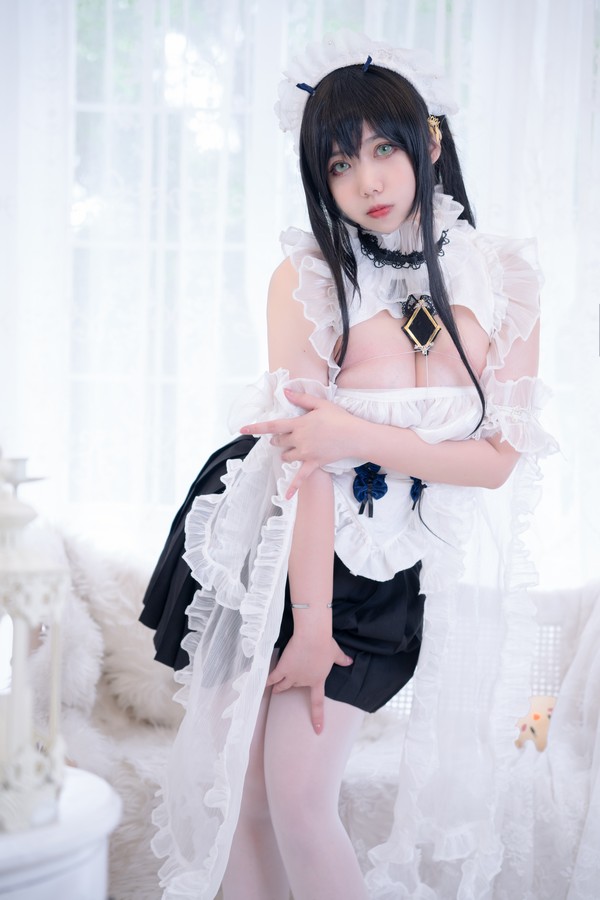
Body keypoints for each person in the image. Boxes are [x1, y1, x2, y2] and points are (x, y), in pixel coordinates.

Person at [142, 32, 556, 900]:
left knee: (297, 798)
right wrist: (310, 617)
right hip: (273, 541)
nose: (367, 181)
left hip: (386, 567)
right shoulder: (309, 275)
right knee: (242, 799)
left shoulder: (503, 275)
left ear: (429, 142)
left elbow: (494, 462)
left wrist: (353, 436)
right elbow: (302, 457)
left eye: (383, 149)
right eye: (339, 164)